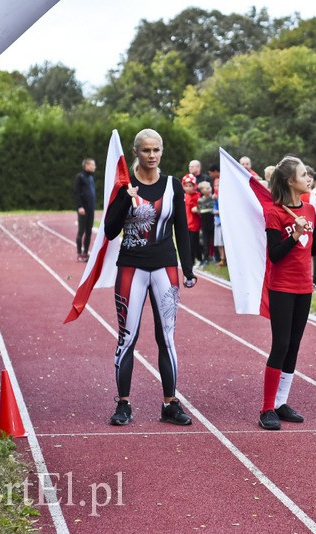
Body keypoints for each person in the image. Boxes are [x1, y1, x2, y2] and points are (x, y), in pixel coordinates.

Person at [103, 128, 196, 426]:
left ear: (162, 151)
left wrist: (189, 268)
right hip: (131, 268)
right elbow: (108, 231)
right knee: (128, 337)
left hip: (165, 268)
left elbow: (181, 228)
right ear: (135, 152)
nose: (152, 156)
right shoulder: (124, 185)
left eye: (156, 150)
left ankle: (170, 403)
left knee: (166, 338)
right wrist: (123, 199)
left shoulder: (173, 185)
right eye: (146, 150)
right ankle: (123, 404)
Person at [258, 156, 316, 430]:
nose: (308, 179)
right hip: (281, 287)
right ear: (291, 180)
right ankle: (266, 408)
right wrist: (292, 235)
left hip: (305, 286)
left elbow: (310, 249)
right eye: (304, 175)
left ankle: (281, 402)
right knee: (280, 345)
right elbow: (276, 255)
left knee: (294, 345)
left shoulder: (310, 210)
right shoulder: (274, 213)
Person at [73, 158, 97, 262]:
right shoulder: (80, 177)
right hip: (83, 209)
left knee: (88, 232)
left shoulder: (91, 178)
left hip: (91, 209)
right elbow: (76, 192)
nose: (94, 167)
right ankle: (79, 253)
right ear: (86, 165)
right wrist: (80, 206)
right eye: (92, 165)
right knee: (81, 231)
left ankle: (86, 253)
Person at [182, 174, 203, 266]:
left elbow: (202, 210)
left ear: (195, 186)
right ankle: (191, 261)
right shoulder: (184, 196)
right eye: (186, 186)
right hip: (186, 224)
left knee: (194, 243)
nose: (188, 188)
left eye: (190, 186)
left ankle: (199, 259)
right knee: (187, 243)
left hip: (195, 224)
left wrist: (197, 209)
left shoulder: (197, 196)